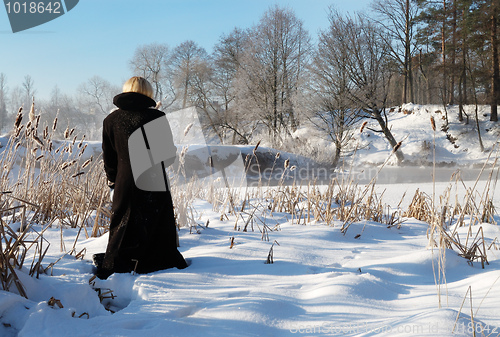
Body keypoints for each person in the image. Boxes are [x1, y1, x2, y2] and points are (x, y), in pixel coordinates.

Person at [95, 76, 187, 279]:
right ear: (148, 92)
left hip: (124, 180)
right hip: (154, 179)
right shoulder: (156, 118)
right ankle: (156, 262)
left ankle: (117, 262)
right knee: (156, 222)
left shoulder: (110, 120)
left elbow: (109, 157)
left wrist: (113, 181)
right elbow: (168, 156)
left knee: (122, 223)